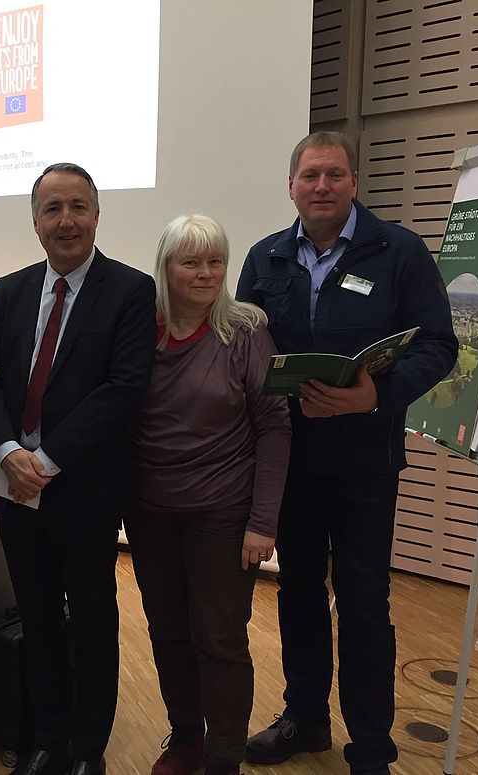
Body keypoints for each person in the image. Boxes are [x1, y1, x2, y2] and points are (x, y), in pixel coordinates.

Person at [236, 131, 457, 775]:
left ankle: (370, 749)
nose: (322, 186)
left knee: (363, 604)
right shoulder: (265, 258)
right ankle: (305, 719)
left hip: (365, 463)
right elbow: (244, 348)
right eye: (310, 175)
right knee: (298, 594)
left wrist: (376, 395)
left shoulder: (399, 251)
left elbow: (439, 345)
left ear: (354, 182)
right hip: (292, 462)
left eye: (334, 174)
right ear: (291, 186)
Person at [0, 162, 157, 775]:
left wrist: (46, 461)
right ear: (35, 222)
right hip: (14, 485)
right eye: (52, 209)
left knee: (93, 618)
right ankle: (47, 738)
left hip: (84, 489)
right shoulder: (11, 289)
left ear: (97, 215)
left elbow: (123, 389)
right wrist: (7, 451)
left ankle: (87, 749)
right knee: (37, 616)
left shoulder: (130, 290)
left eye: (78, 206)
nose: (66, 220)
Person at [127, 215, 291, 775]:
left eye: (215, 261)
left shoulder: (245, 333)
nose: (205, 273)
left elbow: (275, 427)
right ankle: (185, 739)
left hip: (223, 514)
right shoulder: (140, 331)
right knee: (168, 631)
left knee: (219, 639)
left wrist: (263, 521)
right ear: (165, 268)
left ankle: (223, 755)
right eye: (191, 262)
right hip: (150, 513)